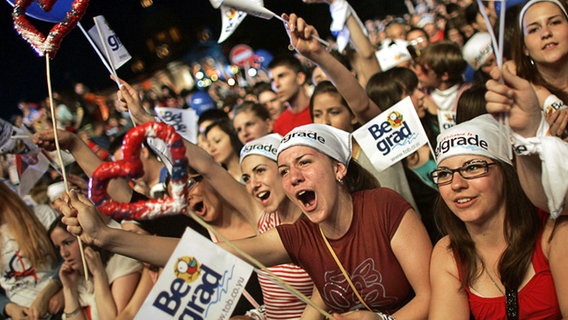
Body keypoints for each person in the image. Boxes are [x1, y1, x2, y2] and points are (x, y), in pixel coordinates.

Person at [59, 123, 432, 319]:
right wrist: (105, 236)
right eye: (285, 170)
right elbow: (205, 255)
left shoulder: (382, 206)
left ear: (338, 168)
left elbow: (433, 296)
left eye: (305, 163)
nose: (294, 177)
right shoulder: (299, 236)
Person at [429, 114, 567, 319]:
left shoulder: (554, 231)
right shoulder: (448, 252)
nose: (456, 184)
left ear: (505, 173)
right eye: (444, 174)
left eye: (473, 167)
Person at [48, 219, 141, 320]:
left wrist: (98, 274)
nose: (64, 253)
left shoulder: (121, 262)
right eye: (58, 248)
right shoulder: (76, 277)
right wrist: (68, 289)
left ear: (86, 238)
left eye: (68, 243)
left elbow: (109, 318)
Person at [0, 182, 62, 320]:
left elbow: (70, 256)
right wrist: (9, 308)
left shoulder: (42, 214)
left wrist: (55, 290)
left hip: (57, 308)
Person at [267, 55, 312, 136]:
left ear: (300, 78)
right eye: (272, 80)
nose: (276, 85)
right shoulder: (279, 125)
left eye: (281, 76)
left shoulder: (320, 111)